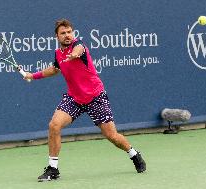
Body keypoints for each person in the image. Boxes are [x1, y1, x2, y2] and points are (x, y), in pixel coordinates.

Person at [24, 19, 146, 182]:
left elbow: (79, 49)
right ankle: (53, 169)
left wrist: (74, 54)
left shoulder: (79, 45)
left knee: (111, 136)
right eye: (63, 33)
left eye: (69, 32)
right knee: (54, 125)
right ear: (56, 36)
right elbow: (54, 69)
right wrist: (33, 75)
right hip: (74, 98)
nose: (67, 35)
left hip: (95, 97)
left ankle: (133, 154)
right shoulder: (58, 53)